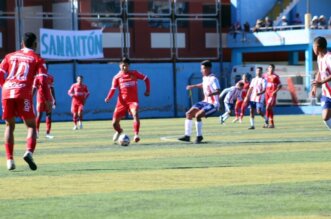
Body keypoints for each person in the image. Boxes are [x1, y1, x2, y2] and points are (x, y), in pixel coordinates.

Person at [0, 32, 52, 171]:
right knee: (31, 126)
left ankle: (9, 160)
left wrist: (4, 86)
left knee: (9, 126)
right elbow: (42, 80)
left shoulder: (9, 56)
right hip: (23, 92)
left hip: (7, 91)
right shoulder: (37, 59)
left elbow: (0, 73)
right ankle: (29, 152)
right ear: (35, 44)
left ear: (22, 43)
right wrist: (48, 99)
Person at [105, 57, 150, 143]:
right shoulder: (116, 77)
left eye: (126, 66)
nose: (124, 67)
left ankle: (136, 135)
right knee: (114, 123)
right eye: (123, 66)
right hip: (121, 103)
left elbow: (146, 79)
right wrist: (108, 98)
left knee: (135, 114)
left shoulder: (134, 73)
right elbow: (113, 89)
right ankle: (119, 131)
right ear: (119, 66)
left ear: (129, 66)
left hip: (133, 101)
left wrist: (147, 90)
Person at [178, 60, 220, 144]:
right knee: (188, 114)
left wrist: (211, 93)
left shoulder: (214, 79)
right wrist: (193, 86)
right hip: (204, 102)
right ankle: (187, 136)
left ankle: (199, 136)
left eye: (203, 69)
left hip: (213, 104)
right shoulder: (205, 78)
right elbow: (203, 84)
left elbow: (218, 90)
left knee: (197, 115)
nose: (201, 71)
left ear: (208, 69)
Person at [311, 36, 331, 130]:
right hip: (326, 93)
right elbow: (320, 71)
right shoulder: (319, 57)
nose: (313, 49)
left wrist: (322, 82)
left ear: (318, 47)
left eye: (313, 47)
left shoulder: (329, 58)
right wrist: (314, 88)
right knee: (325, 117)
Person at [33, 72, 56, 139]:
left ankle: (48, 133)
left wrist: (54, 99)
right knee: (39, 115)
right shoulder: (37, 77)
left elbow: (52, 89)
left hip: (49, 99)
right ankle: (36, 132)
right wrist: (31, 98)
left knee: (48, 115)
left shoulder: (50, 77)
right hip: (40, 99)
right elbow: (34, 88)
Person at [261, 64, 282, 128]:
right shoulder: (264, 75)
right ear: (268, 68)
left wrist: (275, 92)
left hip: (272, 94)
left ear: (274, 69)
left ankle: (266, 122)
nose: (271, 68)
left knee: (267, 107)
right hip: (266, 93)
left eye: (272, 68)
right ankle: (271, 124)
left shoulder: (275, 76)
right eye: (270, 67)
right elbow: (262, 82)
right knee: (269, 108)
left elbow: (280, 85)